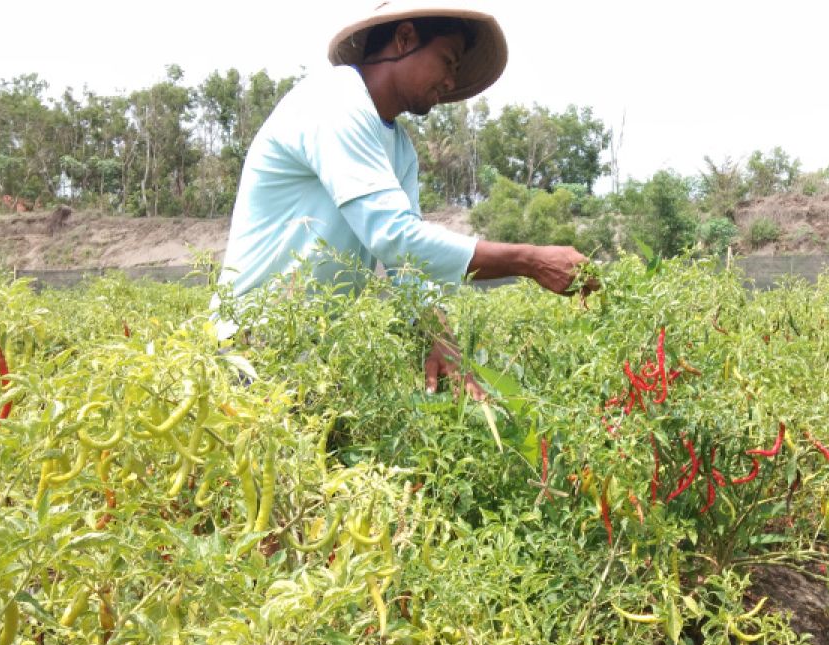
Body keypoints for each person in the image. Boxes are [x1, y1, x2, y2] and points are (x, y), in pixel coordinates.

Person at [214, 1, 594, 395]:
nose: (450, 82)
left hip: (310, 361)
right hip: (250, 347)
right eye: (447, 61)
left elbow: (406, 267)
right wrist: (528, 260)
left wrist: (442, 339)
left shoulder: (399, 149)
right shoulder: (334, 100)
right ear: (405, 38)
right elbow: (394, 237)